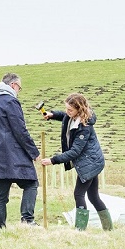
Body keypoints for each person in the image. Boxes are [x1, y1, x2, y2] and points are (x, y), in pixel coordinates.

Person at [41, 93, 112, 231]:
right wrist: (53, 115)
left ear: (79, 110)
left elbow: (74, 152)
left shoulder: (84, 127)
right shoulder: (73, 116)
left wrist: (52, 160)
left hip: (90, 163)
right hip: (91, 161)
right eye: (66, 109)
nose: (67, 112)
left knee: (78, 194)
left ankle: (80, 230)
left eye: (70, 110)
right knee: (93, 196)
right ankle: (108, 229)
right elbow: (65, 116)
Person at [0, 73, 41, 230]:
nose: (19, 91)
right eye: (19, 88)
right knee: (31, 183)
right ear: (13, 85)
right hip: (14, 156)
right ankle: (27, 220)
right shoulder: (11, 102)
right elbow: (20, 130)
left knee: (0, 195)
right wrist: (34, 153)